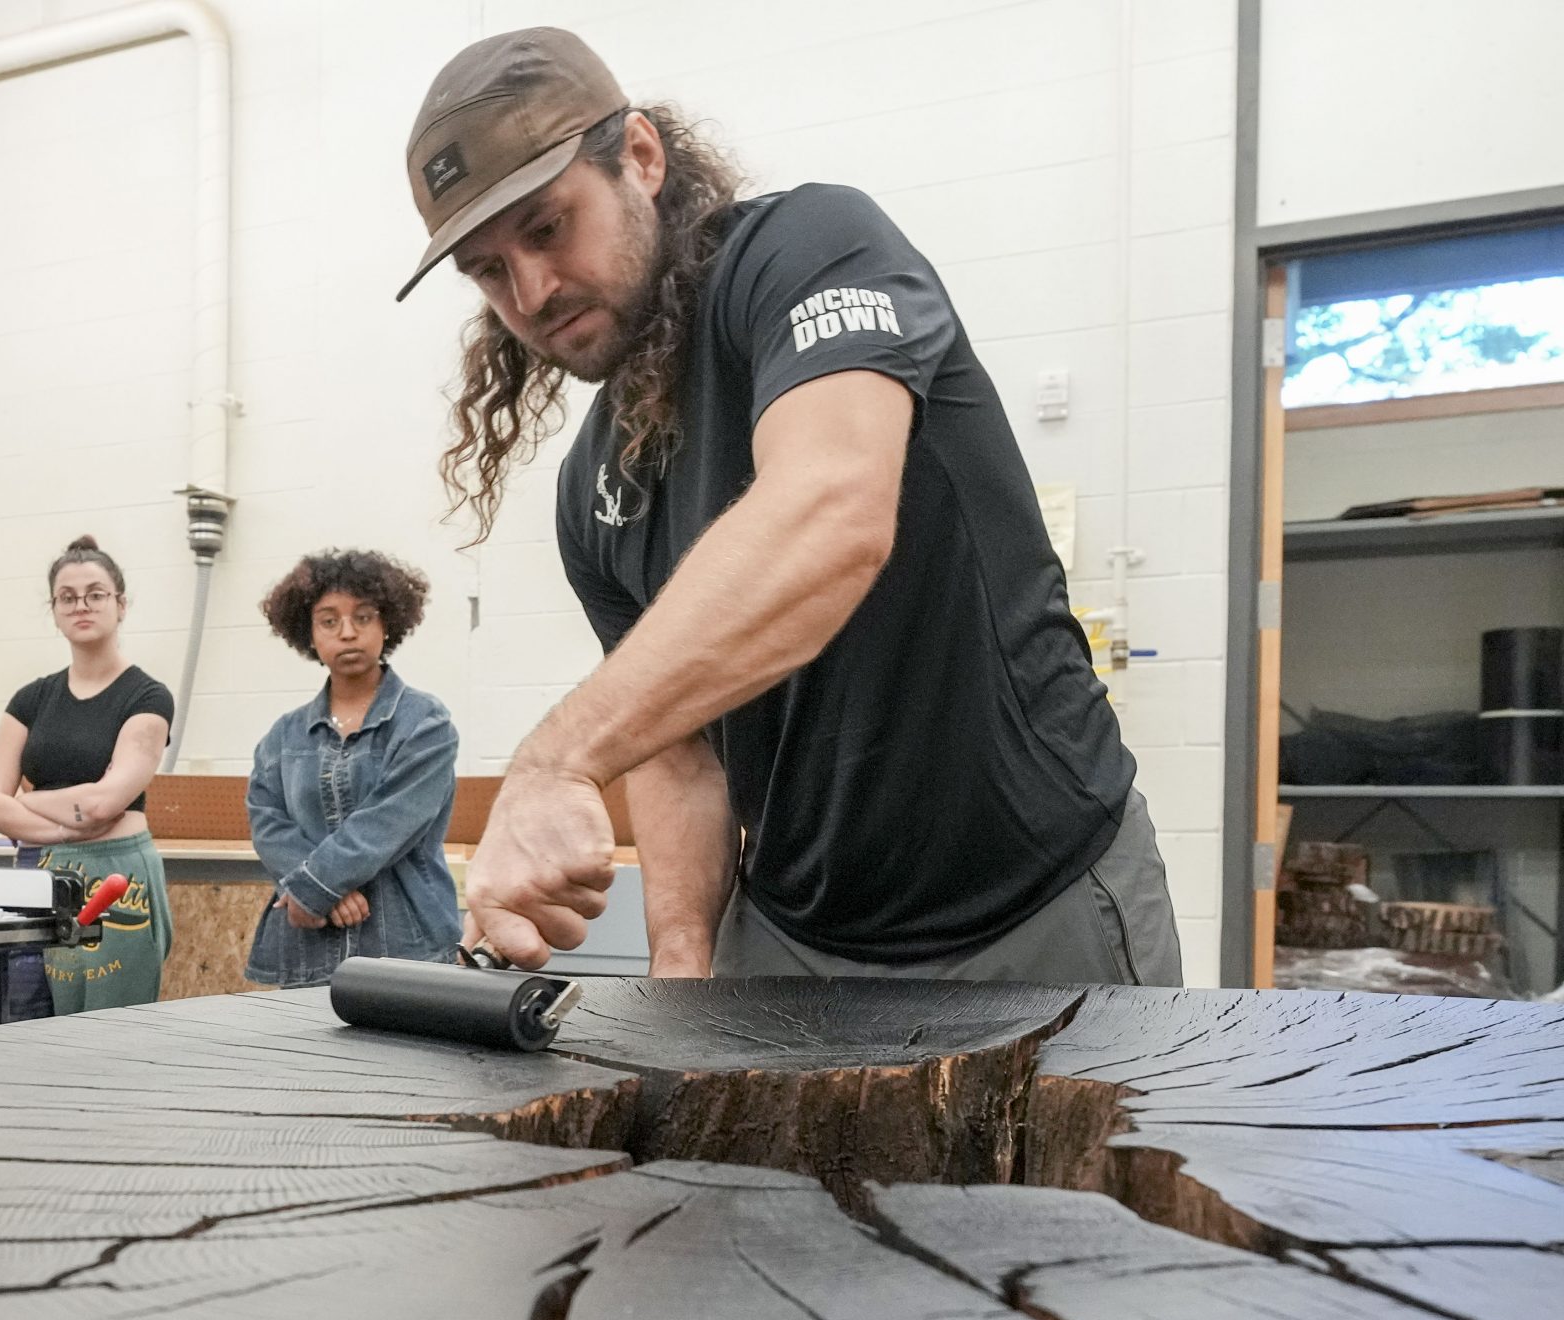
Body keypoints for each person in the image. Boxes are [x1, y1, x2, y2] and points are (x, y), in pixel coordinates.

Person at [397, 28, 1181, 987]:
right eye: (487, 268)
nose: (531, 290)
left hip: (1037, 905)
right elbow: (681, 750)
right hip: (796, 942)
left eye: (549, 227)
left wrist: (555, 760)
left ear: (641, 157)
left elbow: (831, 515)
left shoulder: (811, 251)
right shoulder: (592, 491)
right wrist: (682, 956)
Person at [0, 535, 176, 1020]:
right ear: (55, 609)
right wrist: (68, 824)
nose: (81, 605)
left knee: (102, 1035)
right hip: (36, 875)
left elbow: (106, 804)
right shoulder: (31, 699)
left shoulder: (148, 697)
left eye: (96, 593)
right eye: (67, 597)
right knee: (2, 1021)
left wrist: (31, 799)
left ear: (121, 604)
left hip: (115, 876)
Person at [245, 549, 461, 988]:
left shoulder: (425, 723)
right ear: (308, 632)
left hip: (408, 945)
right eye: (329, 620)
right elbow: (267, 823)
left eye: (363, 617)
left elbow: (385, 825)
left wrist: (312, 890)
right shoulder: (283, 736)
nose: (347, 633)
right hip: (309, 947)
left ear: (387, 625)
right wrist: (323, 893)